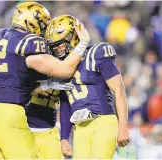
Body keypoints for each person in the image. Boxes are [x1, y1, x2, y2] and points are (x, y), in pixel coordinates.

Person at [0, 2, 90, 159]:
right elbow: (65, 70)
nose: (43, 31)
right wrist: (83, 43)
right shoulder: (29, 43)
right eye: (42, 25)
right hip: (10, 115)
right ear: (32, 23)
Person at [44, 15, 130, 159]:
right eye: (54, 46)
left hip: (102, 121)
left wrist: (123, 127)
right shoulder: (61, 67)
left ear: (73, 37)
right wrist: (64, 137)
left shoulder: (96, 53)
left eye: (60, 43)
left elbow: (119, 90)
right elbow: (66, 104)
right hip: (80, 127)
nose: (57, 49)